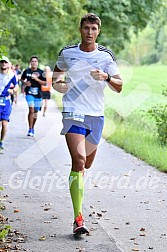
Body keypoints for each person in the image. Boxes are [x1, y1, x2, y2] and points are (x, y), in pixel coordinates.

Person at [52, 13, 123, 236]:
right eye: (86, 28)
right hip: (73, 111)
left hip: (96, 115)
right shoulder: (68, 53)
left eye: (93, 28)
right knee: (79, 159)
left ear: (98, 31)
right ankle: (78, 218)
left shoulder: (106, 56)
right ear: (80, 29)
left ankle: (78, 188)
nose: (89, 32)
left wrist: (106, 77)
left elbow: (119, 86)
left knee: (86, 165)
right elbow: (55, 77)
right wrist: (59, 86)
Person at [21, 56, 46, 137]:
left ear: (37, 63)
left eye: (35, 61)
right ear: (30, 62)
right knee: (31, 110)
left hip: (38, 94)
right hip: (29, 93)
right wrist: (25, 83)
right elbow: (22, 79)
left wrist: (37, 79)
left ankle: (33, 127)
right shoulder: (27, 71)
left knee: (35, 112)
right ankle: (30, 128)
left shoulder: (41, 72)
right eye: (32, 61)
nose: (34, 63)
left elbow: (45, 83)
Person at [0, 56, 18, 149]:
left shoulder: (11, 75)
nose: (3, 64)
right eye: (2, 62)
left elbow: (16, 86)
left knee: (4, 123)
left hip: (6, 101)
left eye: (5, 62)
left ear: (8, 64)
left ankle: (1, 141)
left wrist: (13, 90)